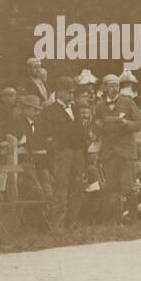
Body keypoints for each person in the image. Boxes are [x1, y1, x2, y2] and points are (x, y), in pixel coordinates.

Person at [94, 72, 141, 221]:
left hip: (125, 152)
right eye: (111, 86)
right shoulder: (100, 106)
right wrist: (98, 125)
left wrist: (126, 124)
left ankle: (133, 219)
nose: (115, 89)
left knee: (128, 187)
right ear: (104, 88)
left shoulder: (128, 102)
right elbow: (95, 126)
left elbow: (139, 124)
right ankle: (115, 219)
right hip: (109, 152)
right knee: (112, 188)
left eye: (117, 85)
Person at [39, 76, 87, 226]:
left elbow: (81, 132)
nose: (72, 96)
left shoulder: (74, 109)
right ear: (59, 93)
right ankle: (57, 223)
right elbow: (45, 134)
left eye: (73, 92)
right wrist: (56, 149)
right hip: (62, 154)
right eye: (68, 92)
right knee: (61, 188)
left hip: (77, 153)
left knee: (77, 187)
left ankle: (71, 222)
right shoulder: (49, 111)